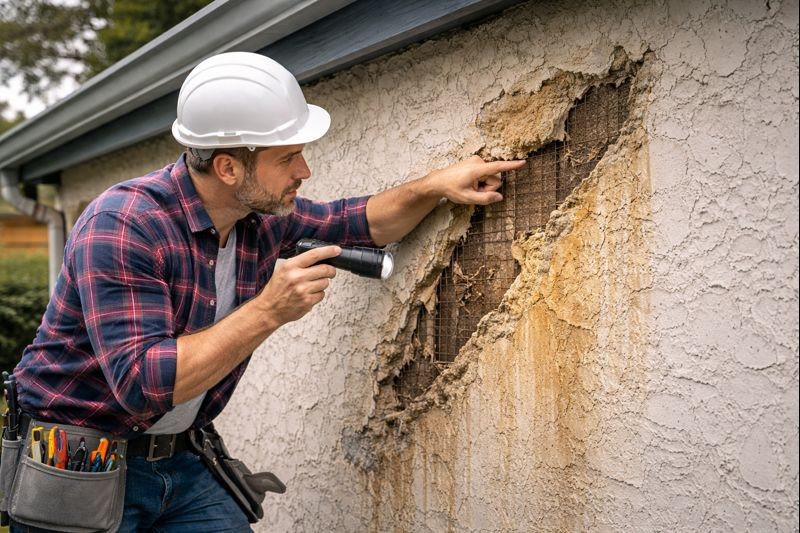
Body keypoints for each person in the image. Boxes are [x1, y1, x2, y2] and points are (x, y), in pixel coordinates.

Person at [6, 52, 523, 531]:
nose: (305, 171)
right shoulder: (124, 225)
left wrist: (435, 185)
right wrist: (269, 310)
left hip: (180, 459)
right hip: (79, 462)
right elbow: (143, 382)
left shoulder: (257, 218)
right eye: (288, 158)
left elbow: (360, 222)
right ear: (229, 167)